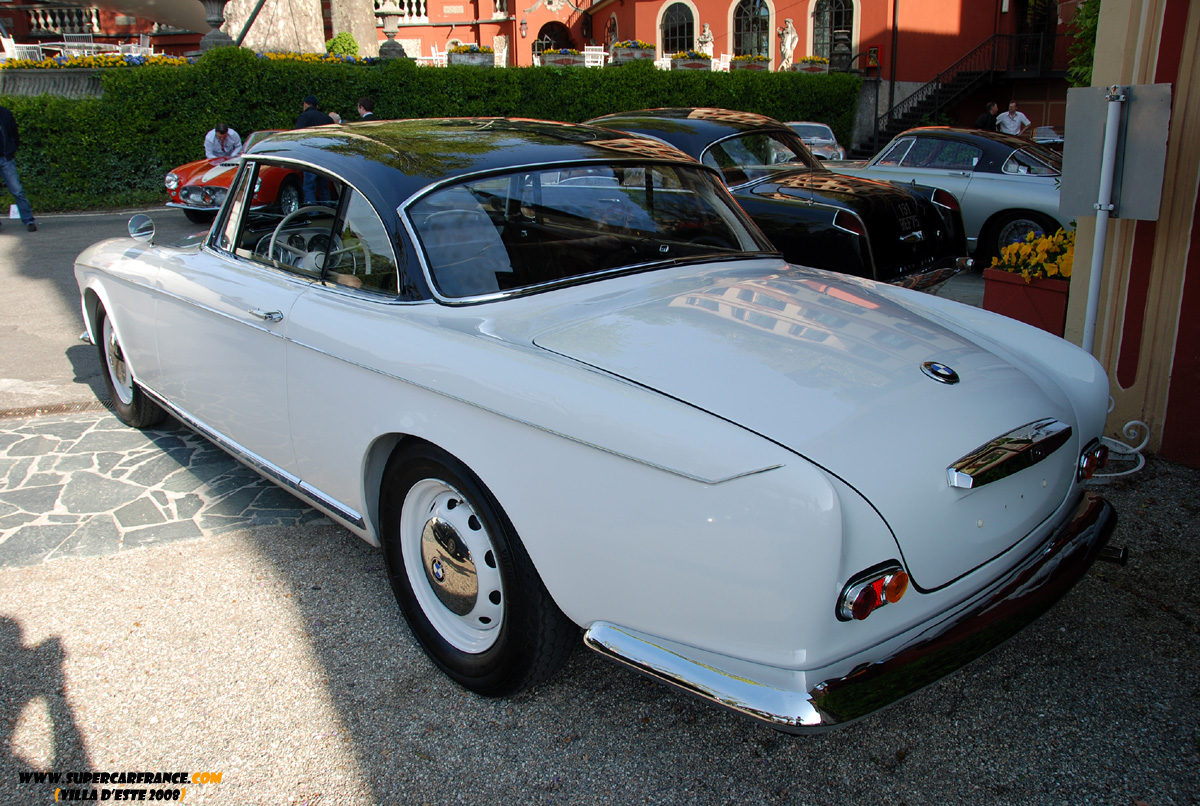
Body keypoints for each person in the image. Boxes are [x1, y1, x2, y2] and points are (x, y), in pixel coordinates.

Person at [0, 104, 37, 232]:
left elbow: (14, 134)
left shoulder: (5, 113)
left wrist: (11, 150)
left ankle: (29, 220)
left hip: (6, 158)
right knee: (17, 190)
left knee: (17, 190)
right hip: (6, 157)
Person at [294, 95, 334, 204]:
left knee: (309, 187)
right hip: (325, 157)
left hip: (309, 156)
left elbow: (297, 138)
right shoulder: (327, 119)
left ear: (305, 104)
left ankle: (312, 211)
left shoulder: (304, 117)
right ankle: (326, 210)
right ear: (317, 106)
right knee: (324, 187)